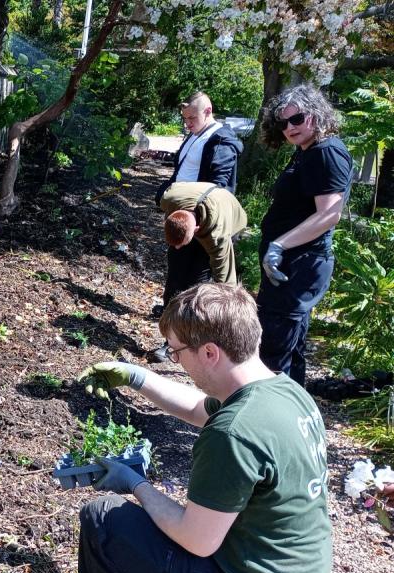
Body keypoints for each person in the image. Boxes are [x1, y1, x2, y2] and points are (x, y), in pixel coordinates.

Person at [40, 283, 329, 573]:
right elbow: (197, 408)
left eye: (177, 353)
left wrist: (135, 485)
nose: (177, 362)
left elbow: (197, 540)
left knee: (105, 522)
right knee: (146, 550)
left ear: (210, 352)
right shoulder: (287, 393)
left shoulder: (234, 433)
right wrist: (135, 377)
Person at [256, 85, 353, 387]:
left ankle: (266, 422)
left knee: (273, 348)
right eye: (283, 123)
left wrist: (279, 245)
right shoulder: (306, 152)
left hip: (300, 264)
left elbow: (329, 214)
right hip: (288, 263)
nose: (289, 128)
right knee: (289, 345)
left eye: (297, 119)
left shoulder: (327, 153)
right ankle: (291, 416)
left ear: (316, 114)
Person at [151, 92, 244, 360]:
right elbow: (181, 172)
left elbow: (219, 186)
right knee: (175, 275)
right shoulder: (195, 135)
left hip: (202, 223)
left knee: (192, 284)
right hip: (183, 217)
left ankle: (180, 343)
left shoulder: (222, 143)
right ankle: (173, 331)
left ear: (208, 111)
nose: (187, 123)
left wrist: (195, 219)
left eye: (192, 117)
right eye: (185, 119)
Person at [158, 181, 248, 295]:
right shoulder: (168, 199)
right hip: (200, 196)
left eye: (181, 243)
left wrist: (227, 300)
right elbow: (176, 185)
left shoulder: (217, 236)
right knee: (176, 268)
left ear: (196, 230)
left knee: (199, 278)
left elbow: (225, 279)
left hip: (230, 214)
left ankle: (193, 309)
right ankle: (170, 308)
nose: (176, 247)